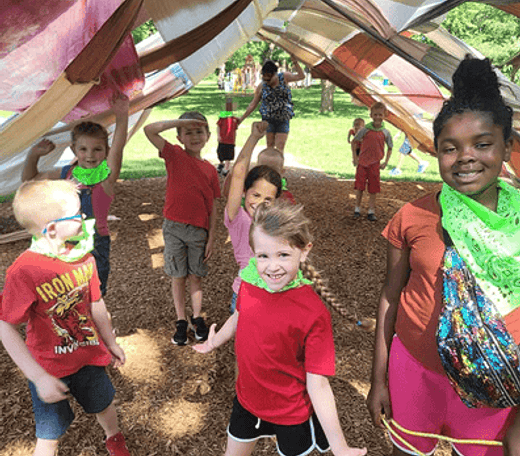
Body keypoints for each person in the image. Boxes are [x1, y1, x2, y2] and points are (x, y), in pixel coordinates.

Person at [366, 56, 520, 456]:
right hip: (416, 373)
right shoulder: (413, 216)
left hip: (496, 386)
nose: (465, 157)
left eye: (482, 144)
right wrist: (378, 379)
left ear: (508, 146)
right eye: (450, 148)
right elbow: (390, 296)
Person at [193, 201, 367, 456]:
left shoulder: (313, 313)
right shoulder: (250, 284)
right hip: (247, 403)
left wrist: (340, 446)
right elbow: (239, 317)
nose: (272, 266)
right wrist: (214, 342)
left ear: (304, 251)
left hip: (291, 413)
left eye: (283, 255)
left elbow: (318, 385)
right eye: (263, 255)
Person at [0, 179, 130, 456]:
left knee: (104, 405)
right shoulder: (24, 270)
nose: (84, 217)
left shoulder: (84, 257)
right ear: (52, 229)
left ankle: (114, 438)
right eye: (77, 214)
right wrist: (37, 377)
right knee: (49, 433)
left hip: (89, 357)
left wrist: (111, 342)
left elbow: (97, 304)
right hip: (49, 367)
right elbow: (5, 325)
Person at [22, 94, 130, 297]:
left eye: (97, 149)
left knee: (94, 296)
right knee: (66, 295)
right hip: (66, 242)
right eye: (83, 149)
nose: (90, 155)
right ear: (74, 149)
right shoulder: (65, 174)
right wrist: (34, 155)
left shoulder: (106, 177)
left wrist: (122, 115)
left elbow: (118, 147)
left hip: (96, 243)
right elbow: (29, 181)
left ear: (105, 151)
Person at [144, 112, 221, 346]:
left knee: (195, 276)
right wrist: (180, 122)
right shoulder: (174, 155)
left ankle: (197, 318)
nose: (195, 136)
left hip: (199, 231)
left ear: (208, 136)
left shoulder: (210, 170)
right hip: (174, 227)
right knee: (178, 276)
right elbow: (150, 130)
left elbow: (213, 208)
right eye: (189, 132)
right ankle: (180, 320)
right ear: (179, 137)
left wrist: (211, 238)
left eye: (199, 131)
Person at [224, 121, 283, 314]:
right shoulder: (238, 218)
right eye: (255, 195)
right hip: (245, 294)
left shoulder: (275, 223)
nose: (259, 203)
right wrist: (254, 137)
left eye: (268, 199)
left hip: (272, 295)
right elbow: (239, 174)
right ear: (244, 193)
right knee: (245, 343)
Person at [238, 55, 305, 154]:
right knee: (269, 146)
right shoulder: (261, 86)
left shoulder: (284, 77)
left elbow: (301, 76)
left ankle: (278, 167)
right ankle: (270, 166)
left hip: (283, 118)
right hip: (268, 119)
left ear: (275, 74)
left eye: (269, 79)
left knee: (280, 146)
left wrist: (295, 62)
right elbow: (253, 104)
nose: (267, 82)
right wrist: (241, 119)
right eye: (265, 79)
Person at [352, 102, 393, 221]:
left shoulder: (386, 132)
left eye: (380, 115)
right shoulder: (365, 130)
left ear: (384, 116)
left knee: (373, 188)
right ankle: (357, 209)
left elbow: (390, 147)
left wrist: (385, 162)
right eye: (375, 115)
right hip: (363, 163)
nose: (377, 117)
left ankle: (371, 211)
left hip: (375, 164)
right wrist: (355, 157)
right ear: (371, 115)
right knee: (359, 187)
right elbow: (355, 142)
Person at [221, 145, 296, 204]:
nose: (268, 173)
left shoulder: (285, 196)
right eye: (263, 168)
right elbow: (227, 193)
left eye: (274, 170)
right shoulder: (249, 186)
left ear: (282, 171)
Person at [216, 97, 239, 176]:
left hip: (230, 140)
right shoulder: (222, 117)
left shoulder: (234, 119)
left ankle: (226, 168)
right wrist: (218, 135)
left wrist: (234, 139)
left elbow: (235, 129)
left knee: (228, 155)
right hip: (223, 139)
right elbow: (218, 126)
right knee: (220, 153)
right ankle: (221, 164)